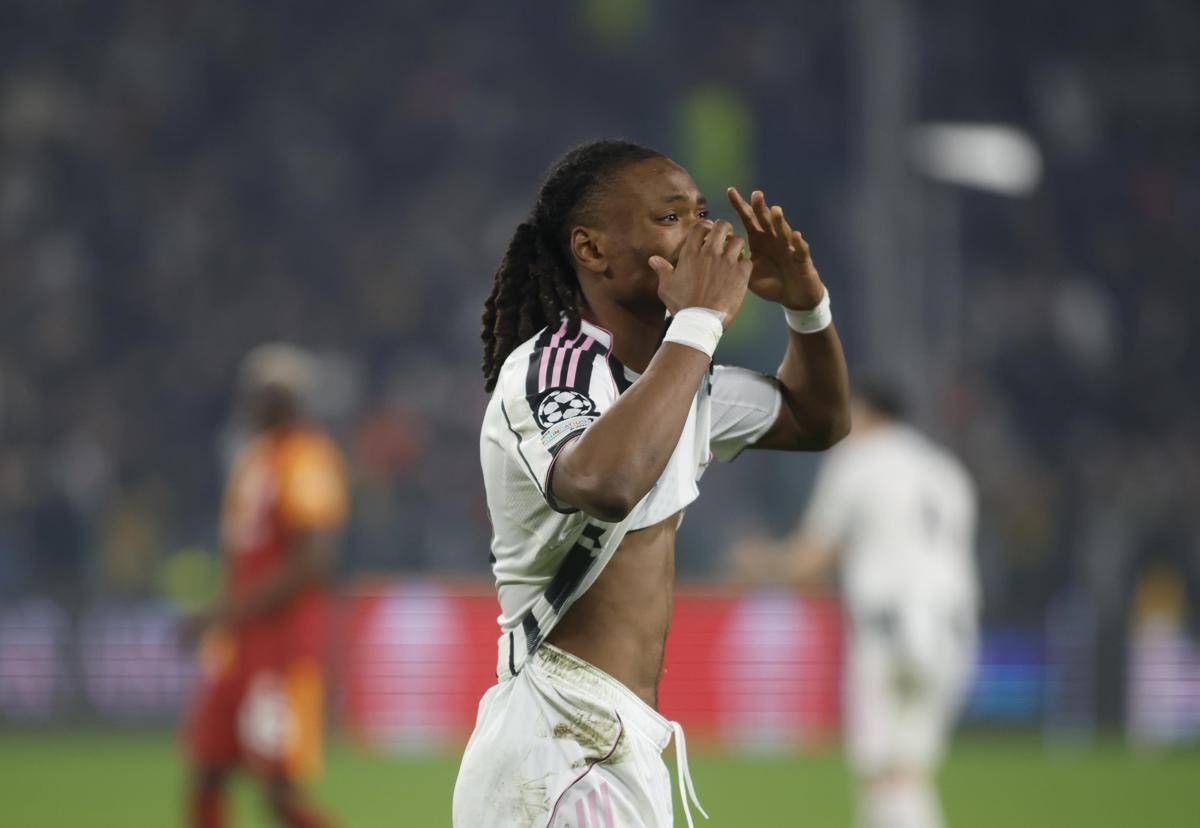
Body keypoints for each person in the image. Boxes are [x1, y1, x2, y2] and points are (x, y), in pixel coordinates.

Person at [453, 139, 851, 827]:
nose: (702, 233)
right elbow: (605, 481)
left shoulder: (681, 384)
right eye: (670, 217)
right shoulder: (553, 367)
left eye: (701, 212)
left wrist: (806, 304)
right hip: (561, 742)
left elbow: (816, 419)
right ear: (593, 250)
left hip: (608, 742)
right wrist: (699, 321)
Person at [734, 382, 979, 828]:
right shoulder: (946, 469)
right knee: (911, 773)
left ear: (865, 414)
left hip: (889, 626)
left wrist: (766, 566)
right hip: (952, 630)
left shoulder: (859, 459)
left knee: (880, 775)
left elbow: (817, 552)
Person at [181, 344, 348, 828]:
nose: (252, 404)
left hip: (282, 642)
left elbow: (311, 561)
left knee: (278, 788)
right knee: (208, 768)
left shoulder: (306, 456)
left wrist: (226, 613)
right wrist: (225, 617)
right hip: (238, 643)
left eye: (264, 395)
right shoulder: (256, 457)